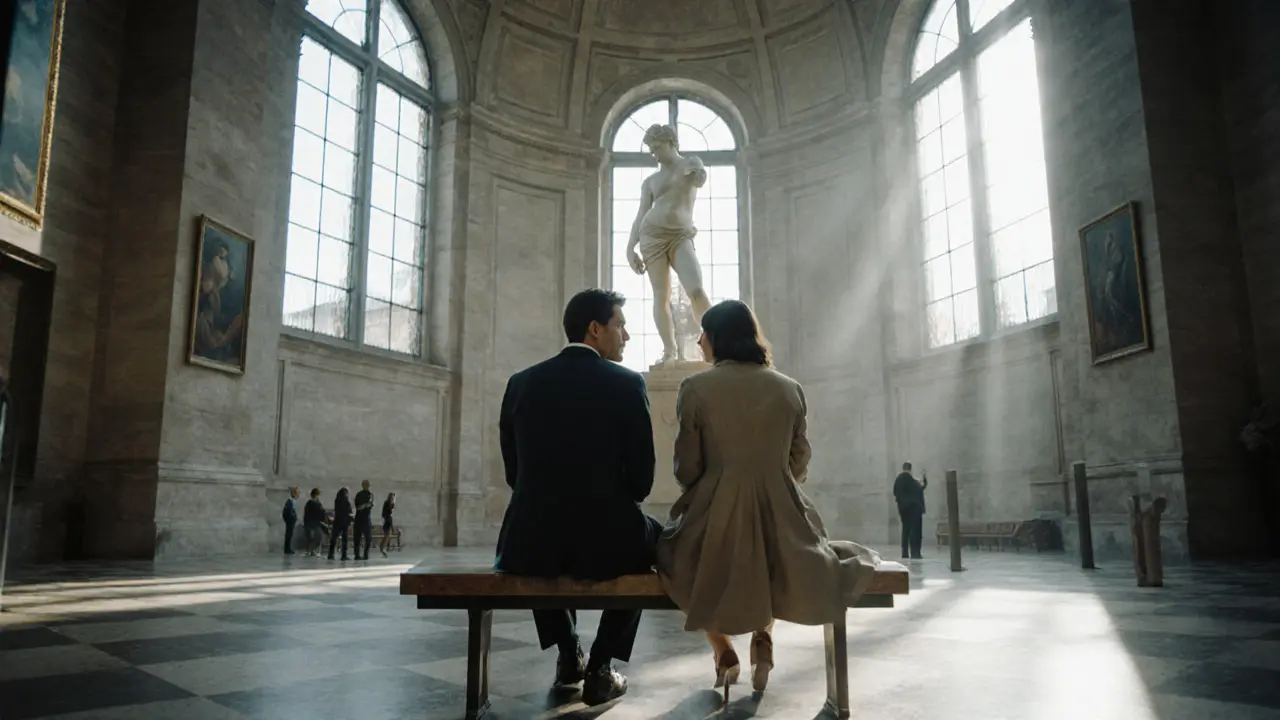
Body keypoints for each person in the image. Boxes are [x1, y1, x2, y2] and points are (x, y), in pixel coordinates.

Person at [656, 300, 881, 703]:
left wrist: (715, 485)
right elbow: (800, 459)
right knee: (773, 552)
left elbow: (686, 468)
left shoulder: (696, 388)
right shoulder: (788, 387)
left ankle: (723, 652)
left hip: (715, 509)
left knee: (678, 557)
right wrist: (774, 485)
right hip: (783, 509)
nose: (700, 340)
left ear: (718, 337)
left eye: (703, 333)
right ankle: (763, 640)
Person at [495, 288, 662, 706]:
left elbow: (515, 474)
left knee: (539, 529)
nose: (626, 336)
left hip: (526, 542)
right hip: (609, 541)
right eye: (620, 325)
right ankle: (602, 666)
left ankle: (569, 655)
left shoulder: (520, 383)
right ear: (595, 328)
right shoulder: (627, 384)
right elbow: (642, 482)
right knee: (651, 543)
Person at [624, 124, 712, 366]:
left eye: (657, 147)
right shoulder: (650, 182)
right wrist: (630, 247)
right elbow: (641, 213)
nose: (654, 153)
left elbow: (699, 179)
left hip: (681, 235)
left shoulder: (690, 163)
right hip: (651, 236)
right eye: (651, 149)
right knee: (661, 294)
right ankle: (669, 350)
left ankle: (716, 339)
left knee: (696, 289)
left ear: (671, 143)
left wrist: (699, 176)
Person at [893, 462, 928, 559]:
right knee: (915, 530)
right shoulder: (911, 480)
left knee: (905, 529)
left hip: (903, 509)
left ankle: (904, 552)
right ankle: (915, 552)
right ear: (910, 469)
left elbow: (895, 492)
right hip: (914, 509)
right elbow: (920, 488)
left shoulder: (898, 479)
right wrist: (923, 479)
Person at [328, 487, 353, 561]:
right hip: (344, 522)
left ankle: (330, 554)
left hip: (337, 521)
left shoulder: (337, 500)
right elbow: (349, 511)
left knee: (334, 538)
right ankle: (344, 555)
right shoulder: (346, 501)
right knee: (344, 539)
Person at [352, 480, 374, 561]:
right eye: (365, 485)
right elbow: (358, 507)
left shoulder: (370, 495)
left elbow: (371, 504)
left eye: (368, 485)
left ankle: (366, 554)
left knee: (368, 538)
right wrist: (365, 505)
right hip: (358, 518)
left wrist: (366, 506)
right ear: (362, 485)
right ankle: (357, 555)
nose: (367, 486)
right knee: (357, 538)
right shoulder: (359, 494)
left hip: (366, 518)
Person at [303, 488, 325, 557]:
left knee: (317, 537)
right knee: (312, 537)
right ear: (316, 495)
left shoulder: (317, 503)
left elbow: (322, 511)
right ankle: (308, 551)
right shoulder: (310, 503)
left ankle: (312, 551)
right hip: (311, 523)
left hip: (315, 523)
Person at [281, 486, 299, 555]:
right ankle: (287, 549)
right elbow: (287, 513)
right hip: (290, 521)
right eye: (297, 493)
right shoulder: (289, 502)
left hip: (291, 521)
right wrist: (292, 518)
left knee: (289, 535)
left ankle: (288, 548)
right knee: (288, 535)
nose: (298, 495)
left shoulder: (292, 501)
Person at [379, 492, 396, 557]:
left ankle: (382, 547)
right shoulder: (388, 504)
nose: (393, 498)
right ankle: (382, 548)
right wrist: (392, 527)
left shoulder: (390, 504)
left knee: (387, 536)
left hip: (388, 520)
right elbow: (387, 514)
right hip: (387, 521)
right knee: (387, 536)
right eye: (392, 497)